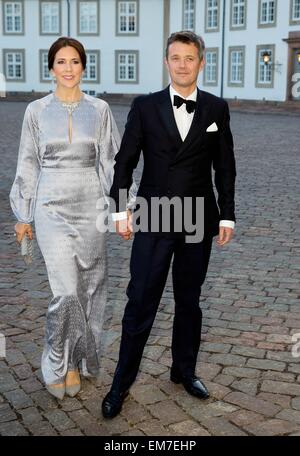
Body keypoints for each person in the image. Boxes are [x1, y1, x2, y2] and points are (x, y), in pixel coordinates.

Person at [102, 31, 236, 418]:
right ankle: (120, 384)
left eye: (189, 58)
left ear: (201, 63)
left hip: (198, 216)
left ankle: (184, 370)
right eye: (175, 57)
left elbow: (225, 167)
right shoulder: (145, 107)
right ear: (166, 62)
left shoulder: (216, 108)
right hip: (155, 216)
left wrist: (226, 213)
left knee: (189, 301)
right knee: (140, 300)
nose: (182, 64)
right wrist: (119, 209)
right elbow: (124, 161)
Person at [10, 37, 120, 400]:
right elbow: (28, 161)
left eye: (75, 61)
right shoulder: (36, 111)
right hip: (50, 206)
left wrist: (120, 208)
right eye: (61, 62)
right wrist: (23, 213)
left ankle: (76, 360)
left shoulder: (100, 109)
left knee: (89, 289)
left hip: (91, 206)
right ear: (51, 67)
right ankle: (56, 360)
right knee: (66, 291)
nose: (68, 68)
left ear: (84, 67)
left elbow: (111, 162)